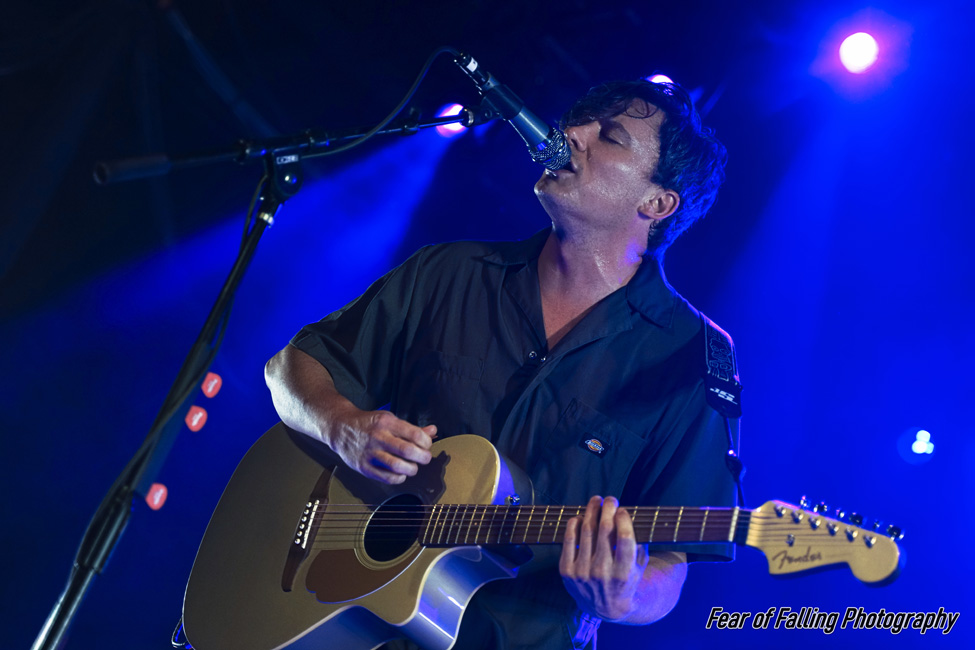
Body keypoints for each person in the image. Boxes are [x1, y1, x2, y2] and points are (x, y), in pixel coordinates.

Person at [265, 79, 738, 650]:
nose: (572, 133)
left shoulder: (690, 357)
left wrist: (623, 595)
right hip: (353, 622)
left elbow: (671, 564)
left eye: (610, 137)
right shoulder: (448, 272)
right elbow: (291, 367)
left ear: (657, 204)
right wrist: (342, 426)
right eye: (579, 120)